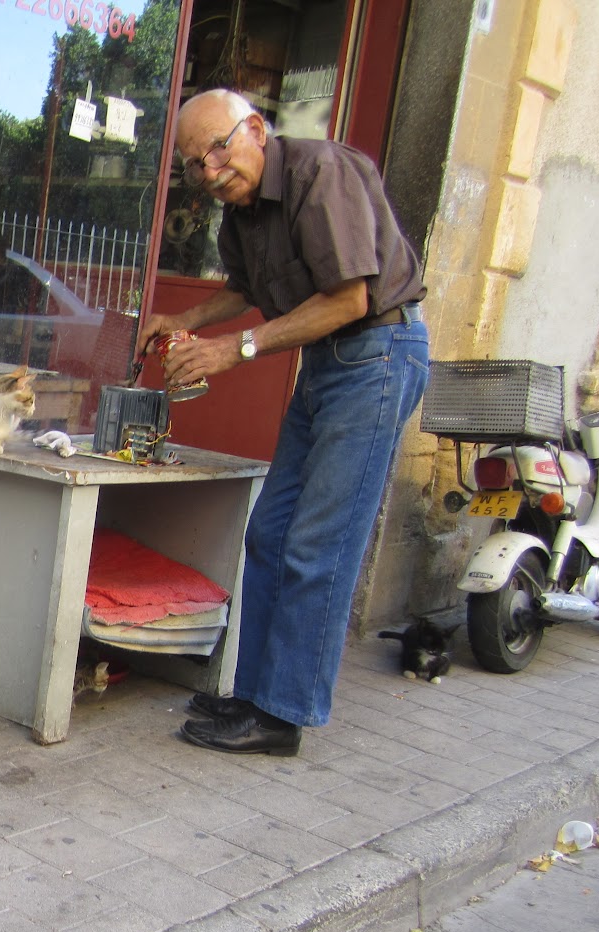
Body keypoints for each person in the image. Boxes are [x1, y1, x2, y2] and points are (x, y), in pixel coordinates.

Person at [134, 88, 429, 756]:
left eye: (218, 150)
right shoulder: (241, 212)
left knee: (317, 544)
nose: (211, 172)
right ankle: (255, 695)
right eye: (195, 165)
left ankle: (283, 714)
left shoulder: (321, 173)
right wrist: (184, 319)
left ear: (257, 130)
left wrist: (232, 351)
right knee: (270, 532)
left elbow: (349, 299)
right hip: (327, 363)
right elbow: (244, 290)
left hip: (378, 355)